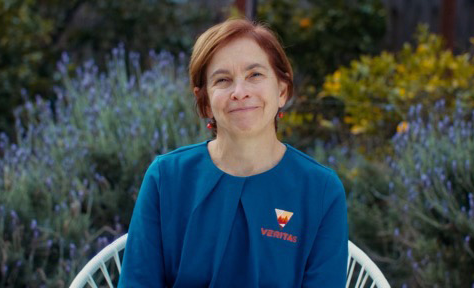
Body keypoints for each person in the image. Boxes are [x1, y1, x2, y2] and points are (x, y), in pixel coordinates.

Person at [118, 18, 348, 287]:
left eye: (255, 75)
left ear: (282, 91)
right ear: (204, 101)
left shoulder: (320, 190)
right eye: (223, 80)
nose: (240, 92)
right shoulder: (166, 178)